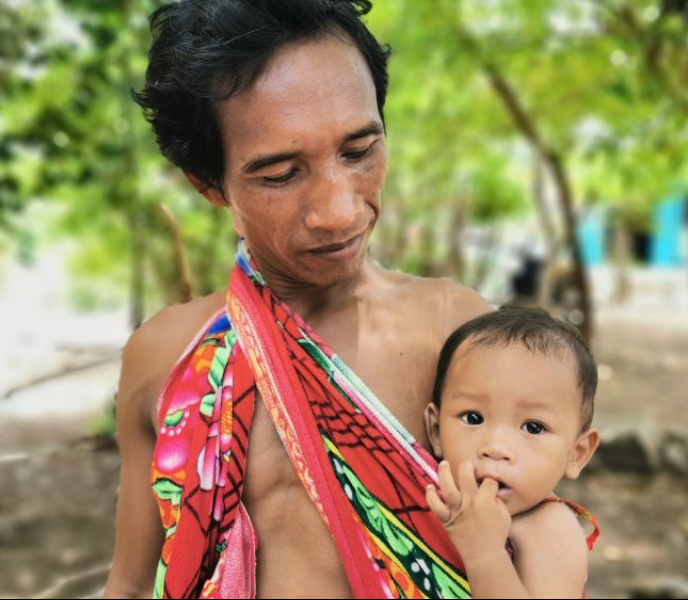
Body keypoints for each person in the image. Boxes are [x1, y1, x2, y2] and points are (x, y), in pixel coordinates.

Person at [102, 1, 492, 598]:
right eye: (282, 173)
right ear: (209, 184)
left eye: (359, 152)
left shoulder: (458, 334)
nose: (339, 211)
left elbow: (539, 553)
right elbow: (130, 587)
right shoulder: (165, 357)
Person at [423, 307, 601, 599]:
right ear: (434, 430)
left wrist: (484, 552)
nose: (495, 447)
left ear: (576, 454)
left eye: (533, 427)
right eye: (473, 418)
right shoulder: (429, 496)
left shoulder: (549, 528)